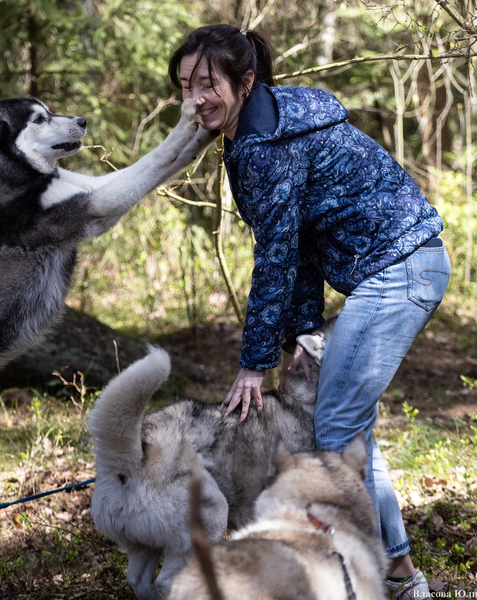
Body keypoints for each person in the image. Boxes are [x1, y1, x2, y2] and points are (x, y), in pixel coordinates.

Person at [168, 24, 451, 599]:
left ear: (245, 82)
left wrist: (254, 364)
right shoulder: (267, 120)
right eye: (185, 85)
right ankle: (397, 572)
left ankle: (374, 575)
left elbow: (275, 255)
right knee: (350, 426)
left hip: (399, 271)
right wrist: (301, 329)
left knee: (337, 427)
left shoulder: (263, 143)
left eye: (207, 84)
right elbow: (298, 243)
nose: (195, 99)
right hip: (397, 268)